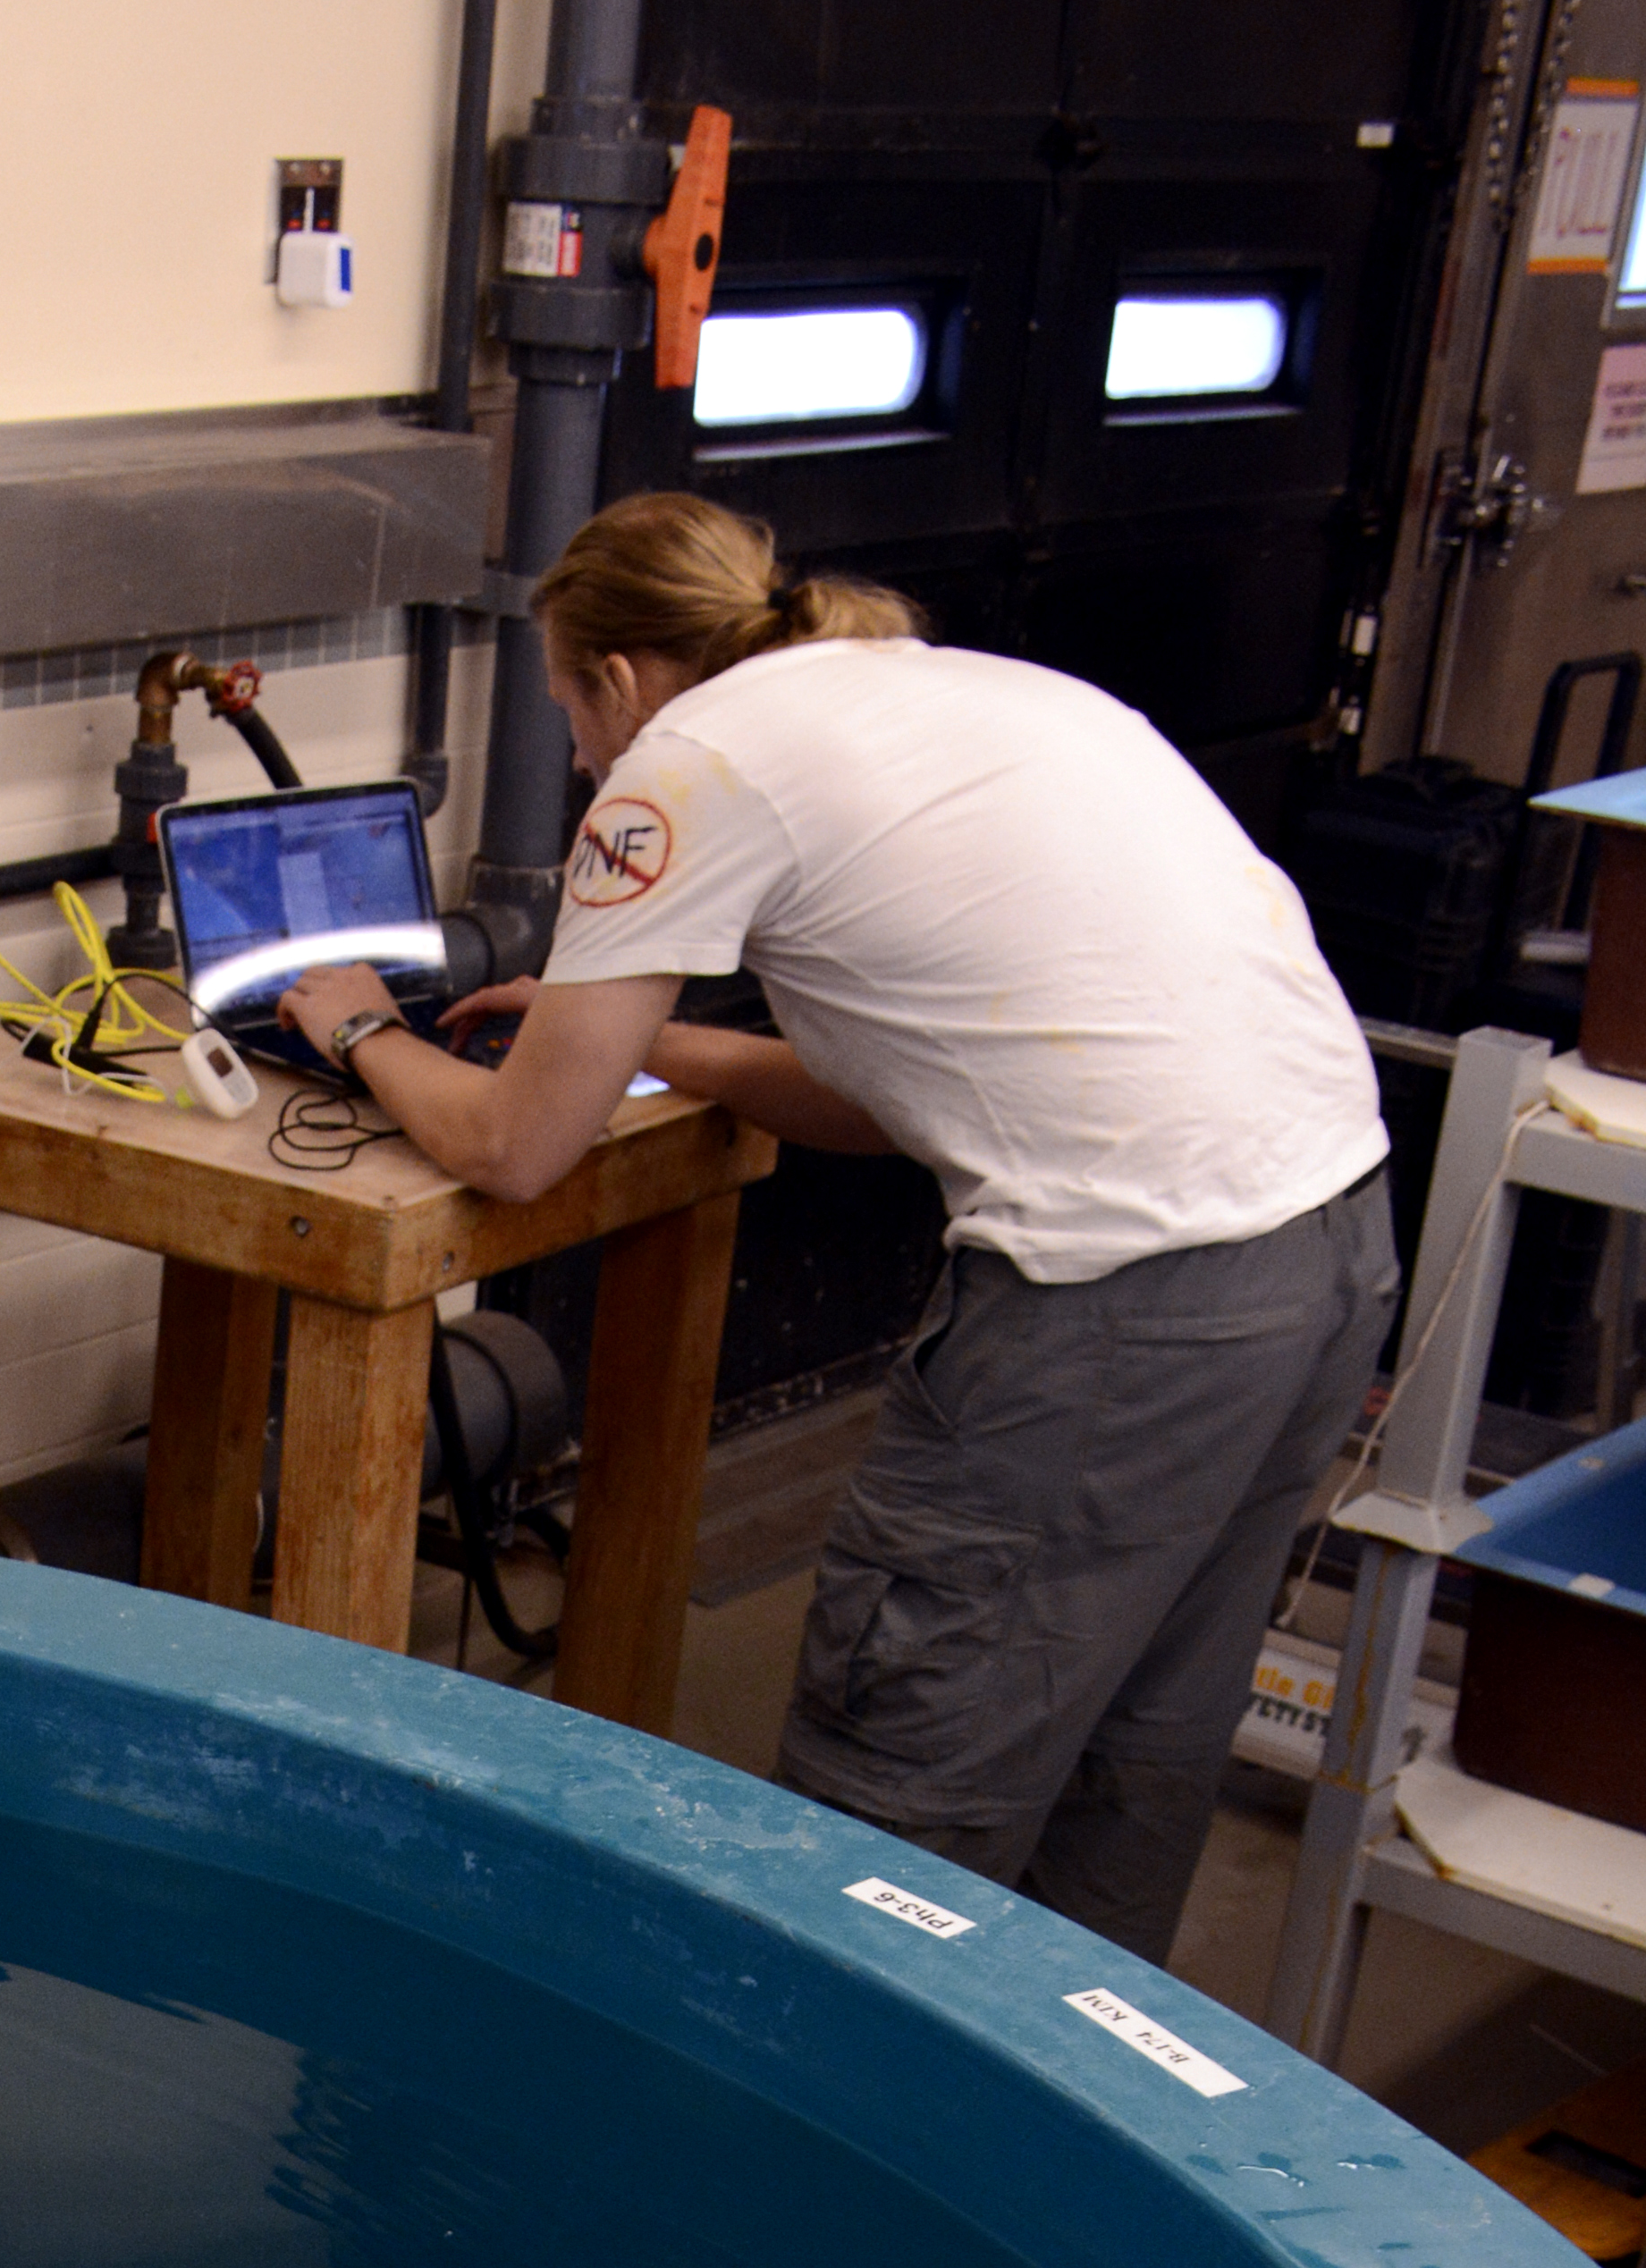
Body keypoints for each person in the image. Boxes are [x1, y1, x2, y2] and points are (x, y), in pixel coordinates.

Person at [280, 493, 1394, 1960]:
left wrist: (358, 1029)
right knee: (1132, 1760)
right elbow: (913, 1092)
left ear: (618, 677)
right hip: (1324, 1250)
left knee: (896, 1817)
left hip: (1119, 1311)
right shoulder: (973, 690)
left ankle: (789, 2164)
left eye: (566, 706)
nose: (576, 751)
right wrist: (656, 1045)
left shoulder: (685, 764)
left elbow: (518, 1146)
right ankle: (1040, 2160)